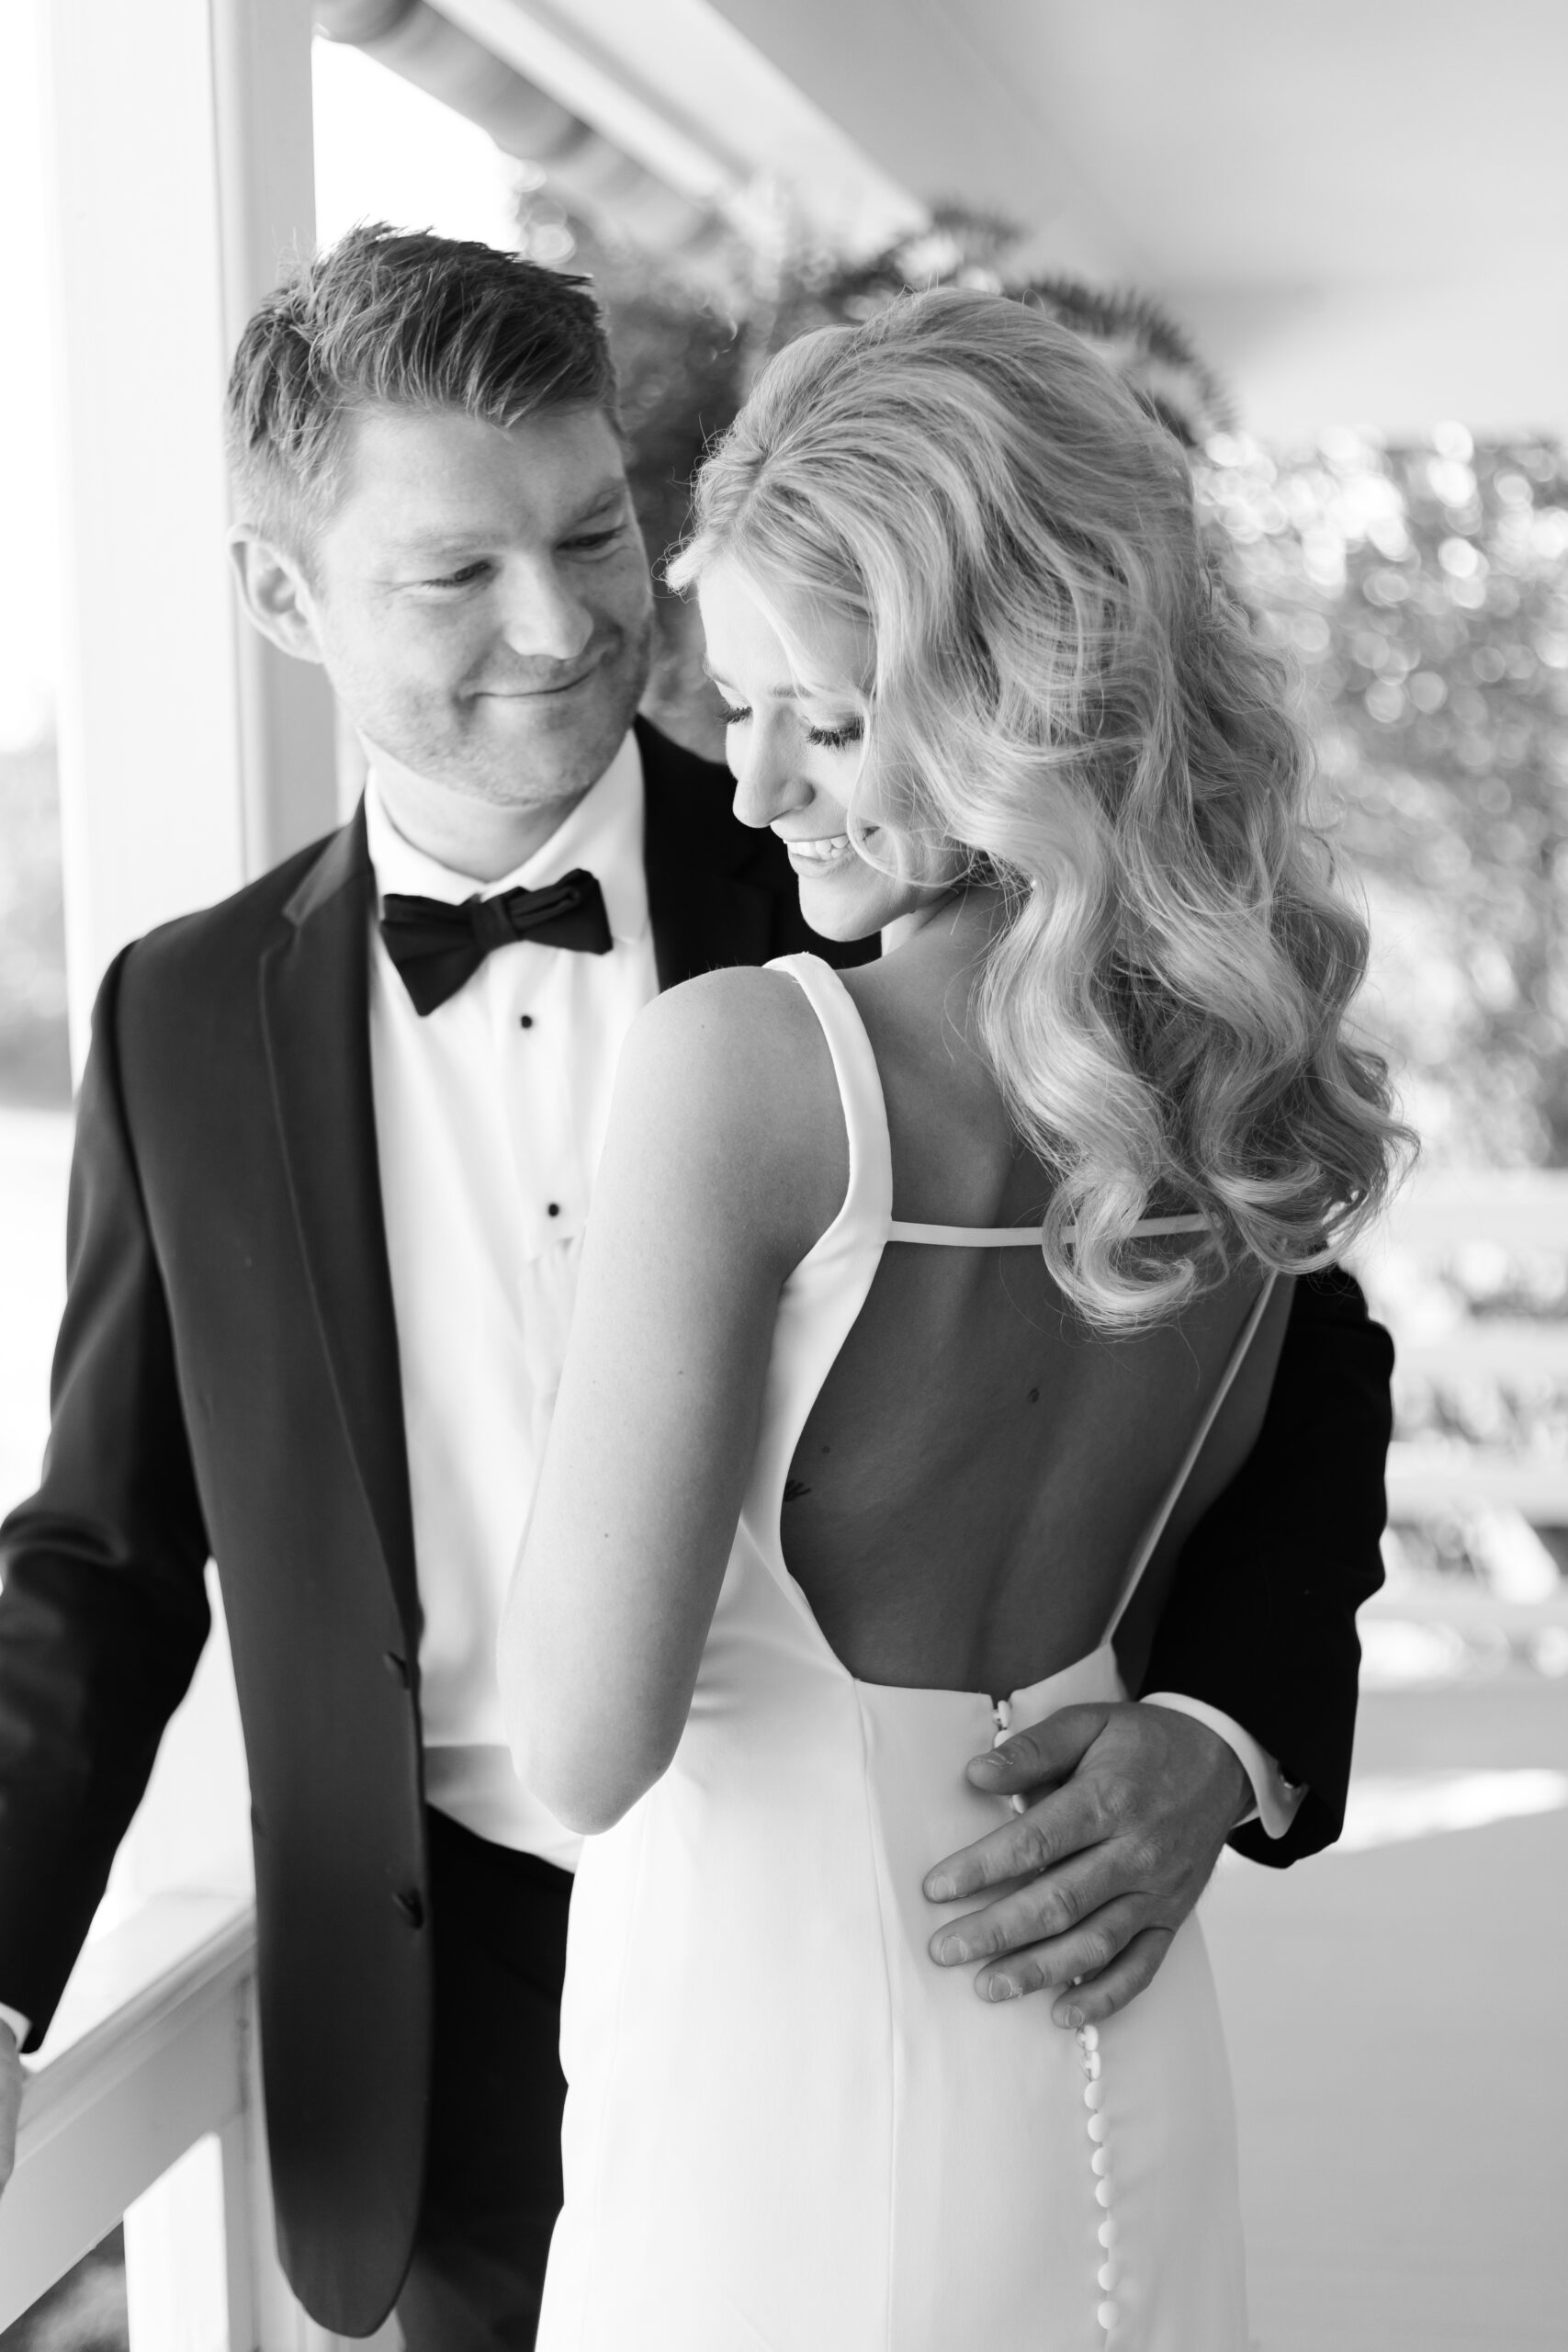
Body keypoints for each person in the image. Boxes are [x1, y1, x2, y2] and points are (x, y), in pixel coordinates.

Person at [0, 234, 1390, 2349]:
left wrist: (1225, 1728)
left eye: (588, 534)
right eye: (452, 575)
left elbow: (1298, 1355)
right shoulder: (182, 1015)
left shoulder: (866, 870)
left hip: (899, 1930)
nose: (561, 629)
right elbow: (98, 1553)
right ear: (285, 599)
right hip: (438, 2030)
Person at [503, 288, 1405, 2348]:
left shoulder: (740, 1072)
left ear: (1017, 687)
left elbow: (578, 1738)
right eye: (728, 707)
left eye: (818, 719)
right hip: (1110, 2057)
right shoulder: (1245, 1092)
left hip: (776, 2100)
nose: (747, 793)